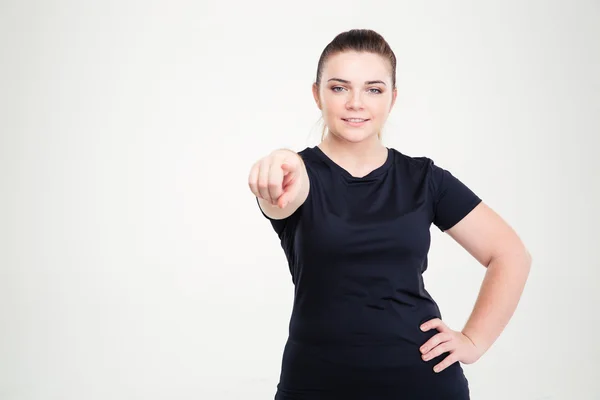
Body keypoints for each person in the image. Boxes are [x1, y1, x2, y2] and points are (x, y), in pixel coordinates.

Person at [247, 29, 532, 400]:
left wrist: (473, 340)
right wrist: (282, 160)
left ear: (392, 99)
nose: (355, 103)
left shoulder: (424, 180)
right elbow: (285, 189)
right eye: (339, 88)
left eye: (373, 89)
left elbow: (510, 255)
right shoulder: (296, 177)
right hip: (316, 383)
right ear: (317, 94)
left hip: (422, 381)